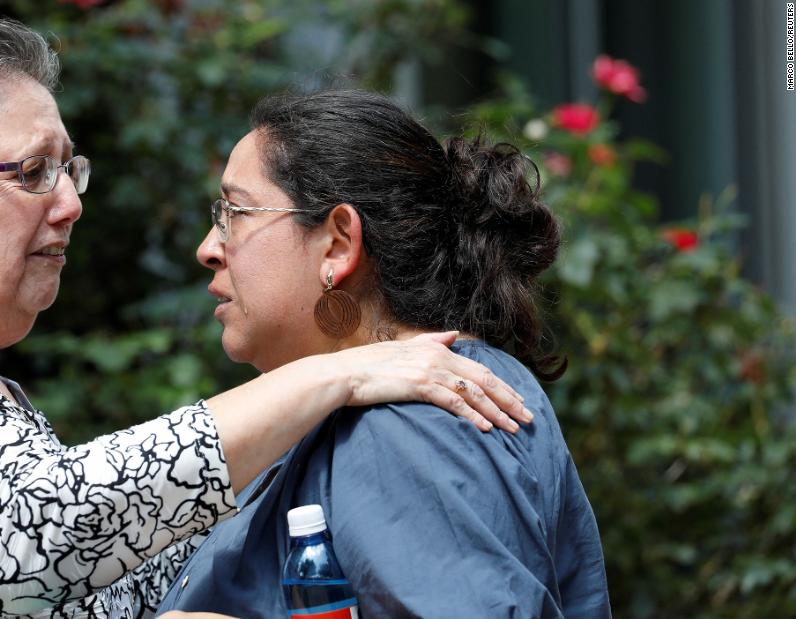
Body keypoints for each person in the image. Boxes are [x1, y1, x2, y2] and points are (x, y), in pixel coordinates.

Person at [0, 11, 530, 619]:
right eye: (32, 172)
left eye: (69, 167)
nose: (72, 202)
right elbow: (35, 541)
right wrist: (342, 367)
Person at [147, 90, 610, 617]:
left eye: (235, 212)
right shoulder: (387, 406)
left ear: (339, 244)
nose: (209, 247)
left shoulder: (412, 420)